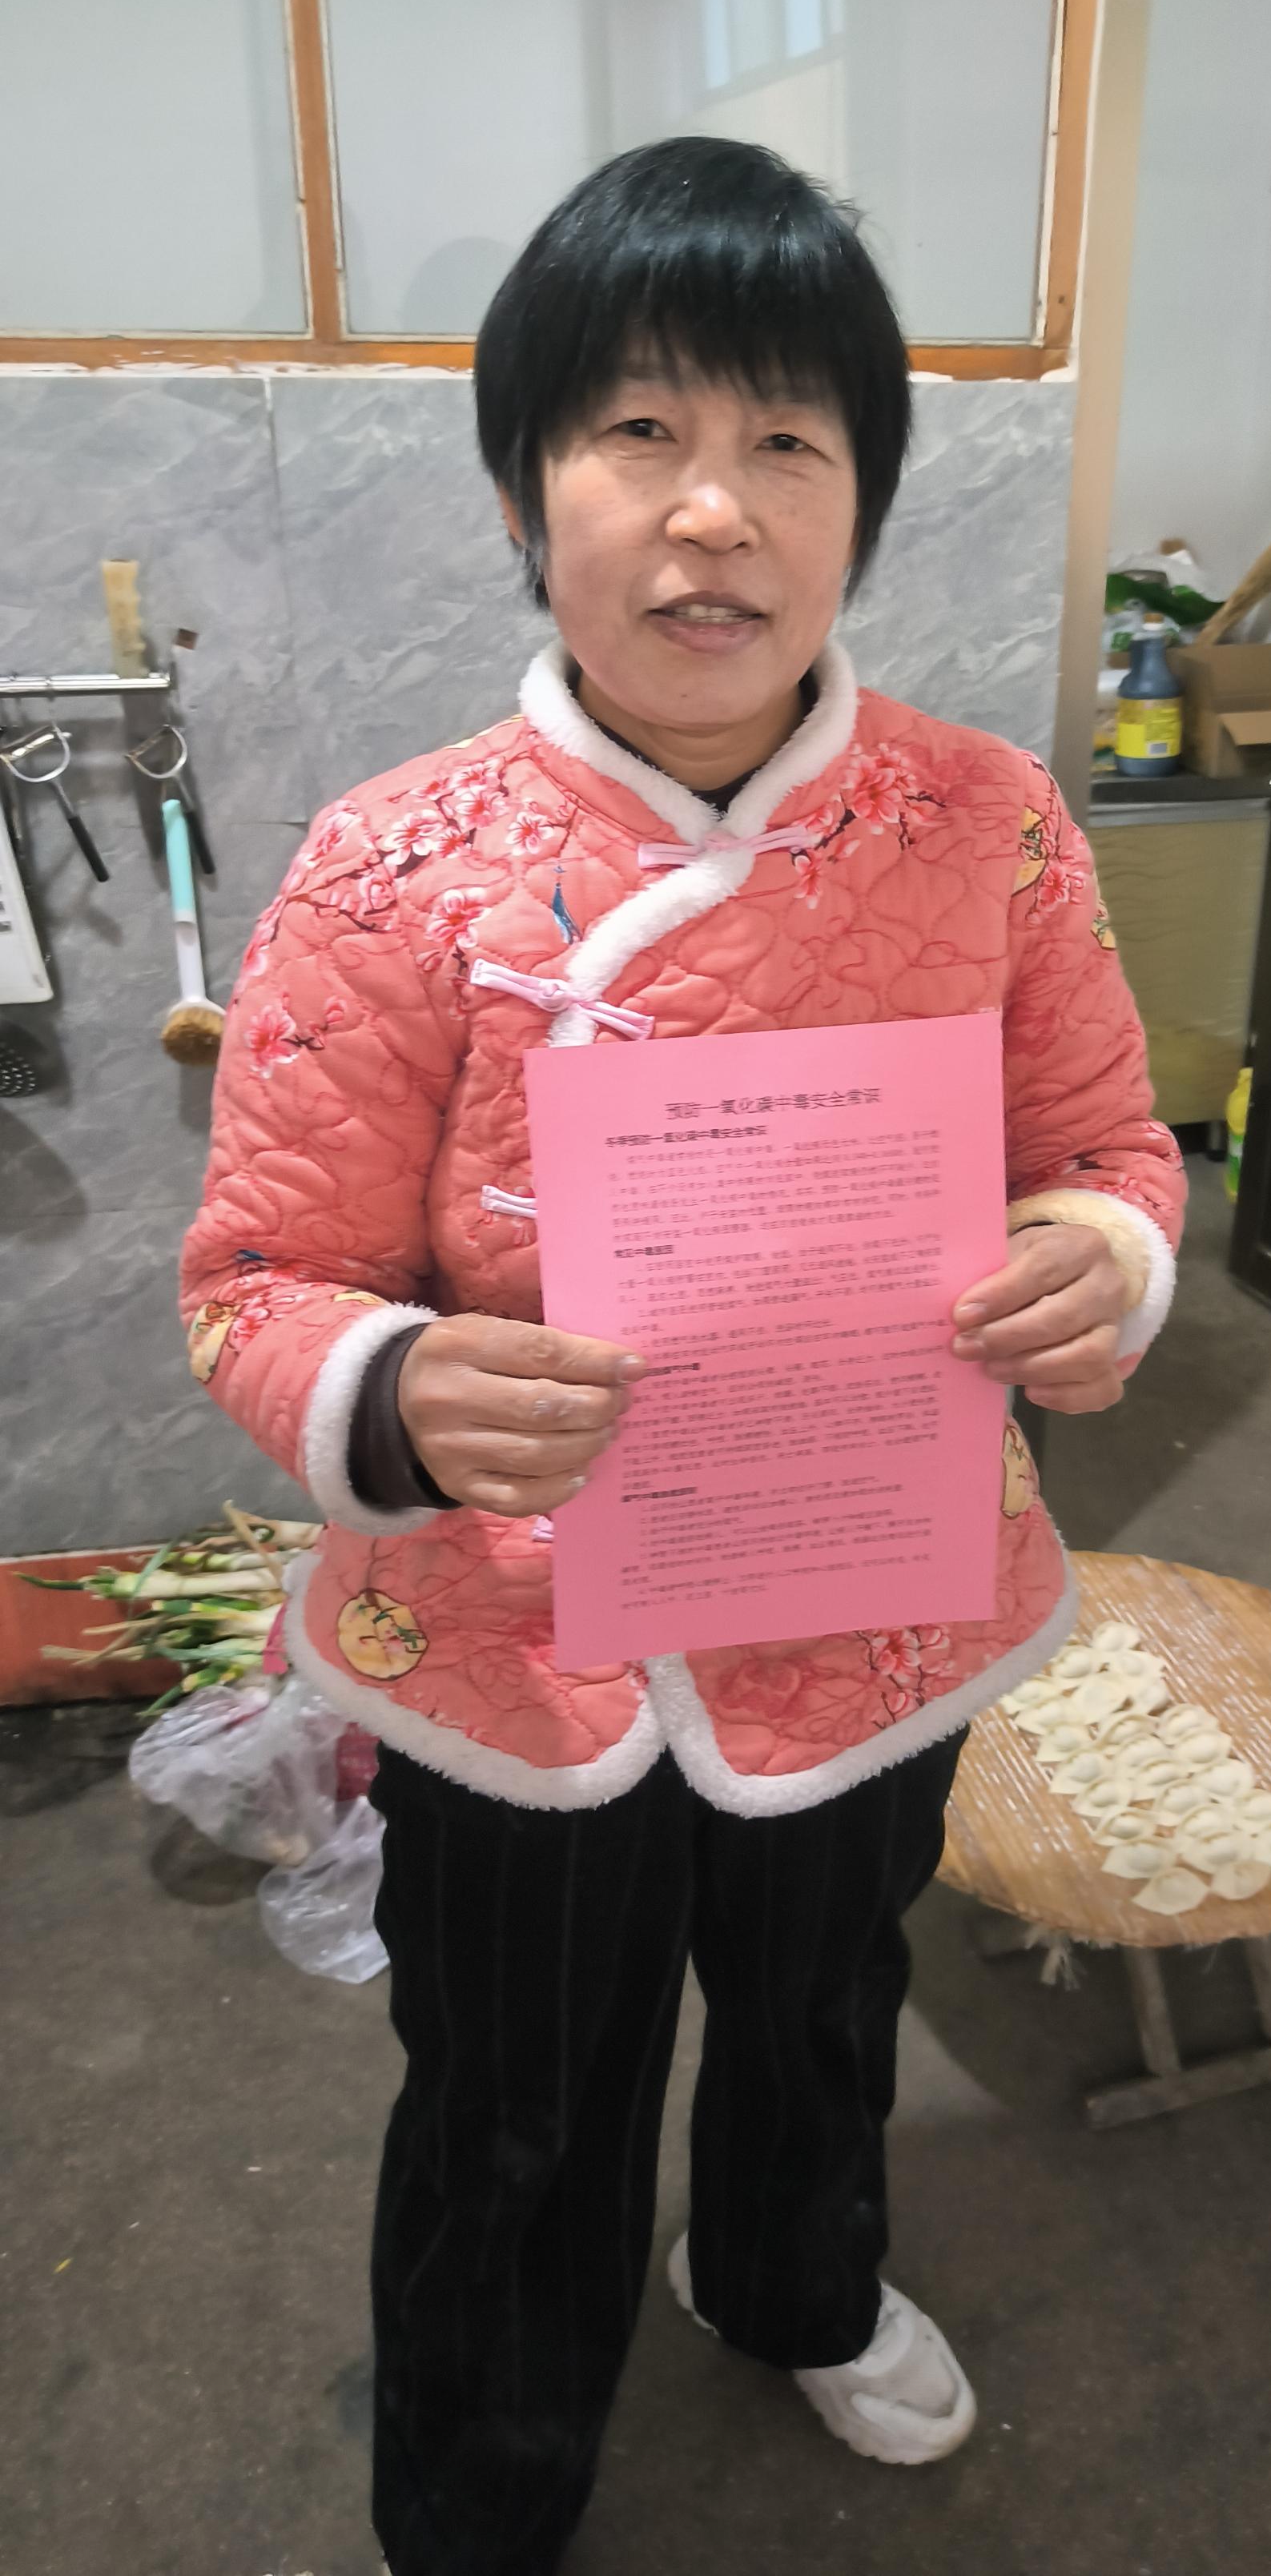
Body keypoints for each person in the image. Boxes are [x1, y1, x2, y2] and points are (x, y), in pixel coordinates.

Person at [181, 137, 1185, 2576]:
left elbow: (1109, 1144)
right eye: (639, 431)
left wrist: (1099, 1260)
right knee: (512, 2099)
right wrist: (394, 1391)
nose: (712, 511)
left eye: (786, 442)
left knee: (828, 2011)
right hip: (524, 1642)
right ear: (528, 489)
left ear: (862, 507)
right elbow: (257, 1274)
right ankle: (487, 2485)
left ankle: (791, 2281)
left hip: (875, 1590)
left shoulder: (989, 826)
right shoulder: (392, 861)